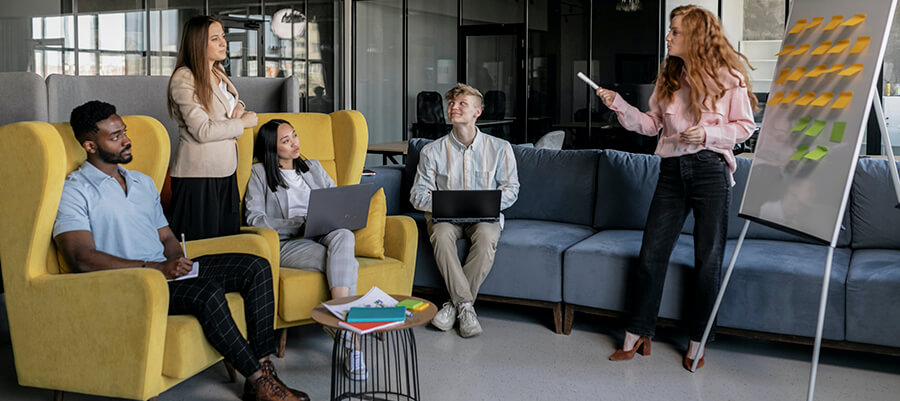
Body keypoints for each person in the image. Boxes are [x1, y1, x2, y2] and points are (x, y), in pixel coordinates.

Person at [53, 101, 308, 401]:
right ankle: (259, 382)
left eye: (124, 131)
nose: (126, 140)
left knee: (256, 267)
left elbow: (166, 236)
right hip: (132, 283)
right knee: (208, 291)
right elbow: (81, 257)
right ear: (90, 146)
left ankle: (264, 372)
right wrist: (157, 269)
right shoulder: (75, 190)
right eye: (115, 136)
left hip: (165, 271)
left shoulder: (141, 181)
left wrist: (176, 257)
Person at [595, 5, 756, 371]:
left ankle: (697, 341)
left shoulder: (728, 77)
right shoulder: (668, 77)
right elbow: (652, 126)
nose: (668, 37)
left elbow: (746, 126)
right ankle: (637, 333)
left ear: (696, 37)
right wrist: (618, 105)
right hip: (670, 171)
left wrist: (710, 134)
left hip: (710, 170)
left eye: (675, 32)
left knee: (707, 260)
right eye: (670, 31)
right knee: (651, 254)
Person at [244, 119, 367, 380]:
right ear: (271, 147)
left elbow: (336, 198)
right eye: (286, 141)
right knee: (344, 262)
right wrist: (296, 224)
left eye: (295, 136)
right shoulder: (259, 173)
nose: (294, 143)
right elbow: (254, 218)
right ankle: (353, 344)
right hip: (289, 242)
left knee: (344, 235)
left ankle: (337, 315)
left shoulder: (313, 167)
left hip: (324, 231)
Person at [410, 83, 520, 338]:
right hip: (446, 217)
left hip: (484, 217)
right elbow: (417, 194)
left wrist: (488, 203)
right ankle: (466, 307)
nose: (454, 107)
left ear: (477, 112)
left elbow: (511, 189)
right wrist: (442, 203)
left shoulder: (500, 148)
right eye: (451, 103)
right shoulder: (431, 151)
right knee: (440, 233)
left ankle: (453, 304)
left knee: (487, 237)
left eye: (462, 104)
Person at [167, 15, 258, 241]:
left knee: (226, 243)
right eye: (215, 39)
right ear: (198, 44)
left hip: (225, 170)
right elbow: (202, 131)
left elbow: (223, 104)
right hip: (198, 176)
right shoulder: (184, 77)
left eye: (223, 37)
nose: (223, 43)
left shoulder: (217, 72)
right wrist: (242, 123)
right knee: (200, 250)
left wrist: (239, 106)